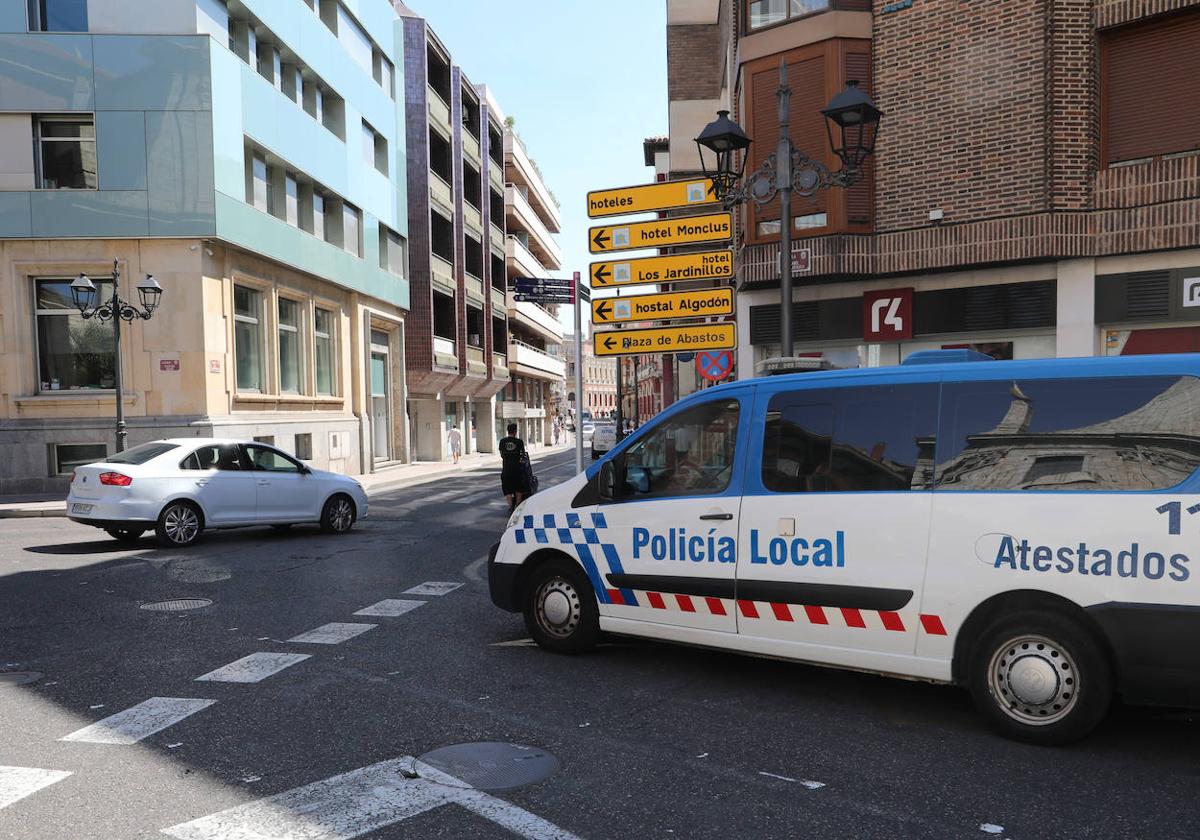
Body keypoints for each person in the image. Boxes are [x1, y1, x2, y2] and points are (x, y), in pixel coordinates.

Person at [499, 423, 530, 512]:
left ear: (507, 431)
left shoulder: (502, 441)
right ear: (515, 432)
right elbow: (523, 455)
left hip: (506, 469)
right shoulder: (519, 442)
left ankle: (510, 506)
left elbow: (502, 454)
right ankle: (517, 507)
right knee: (519, 488)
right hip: (517, 469)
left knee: (507, 489)